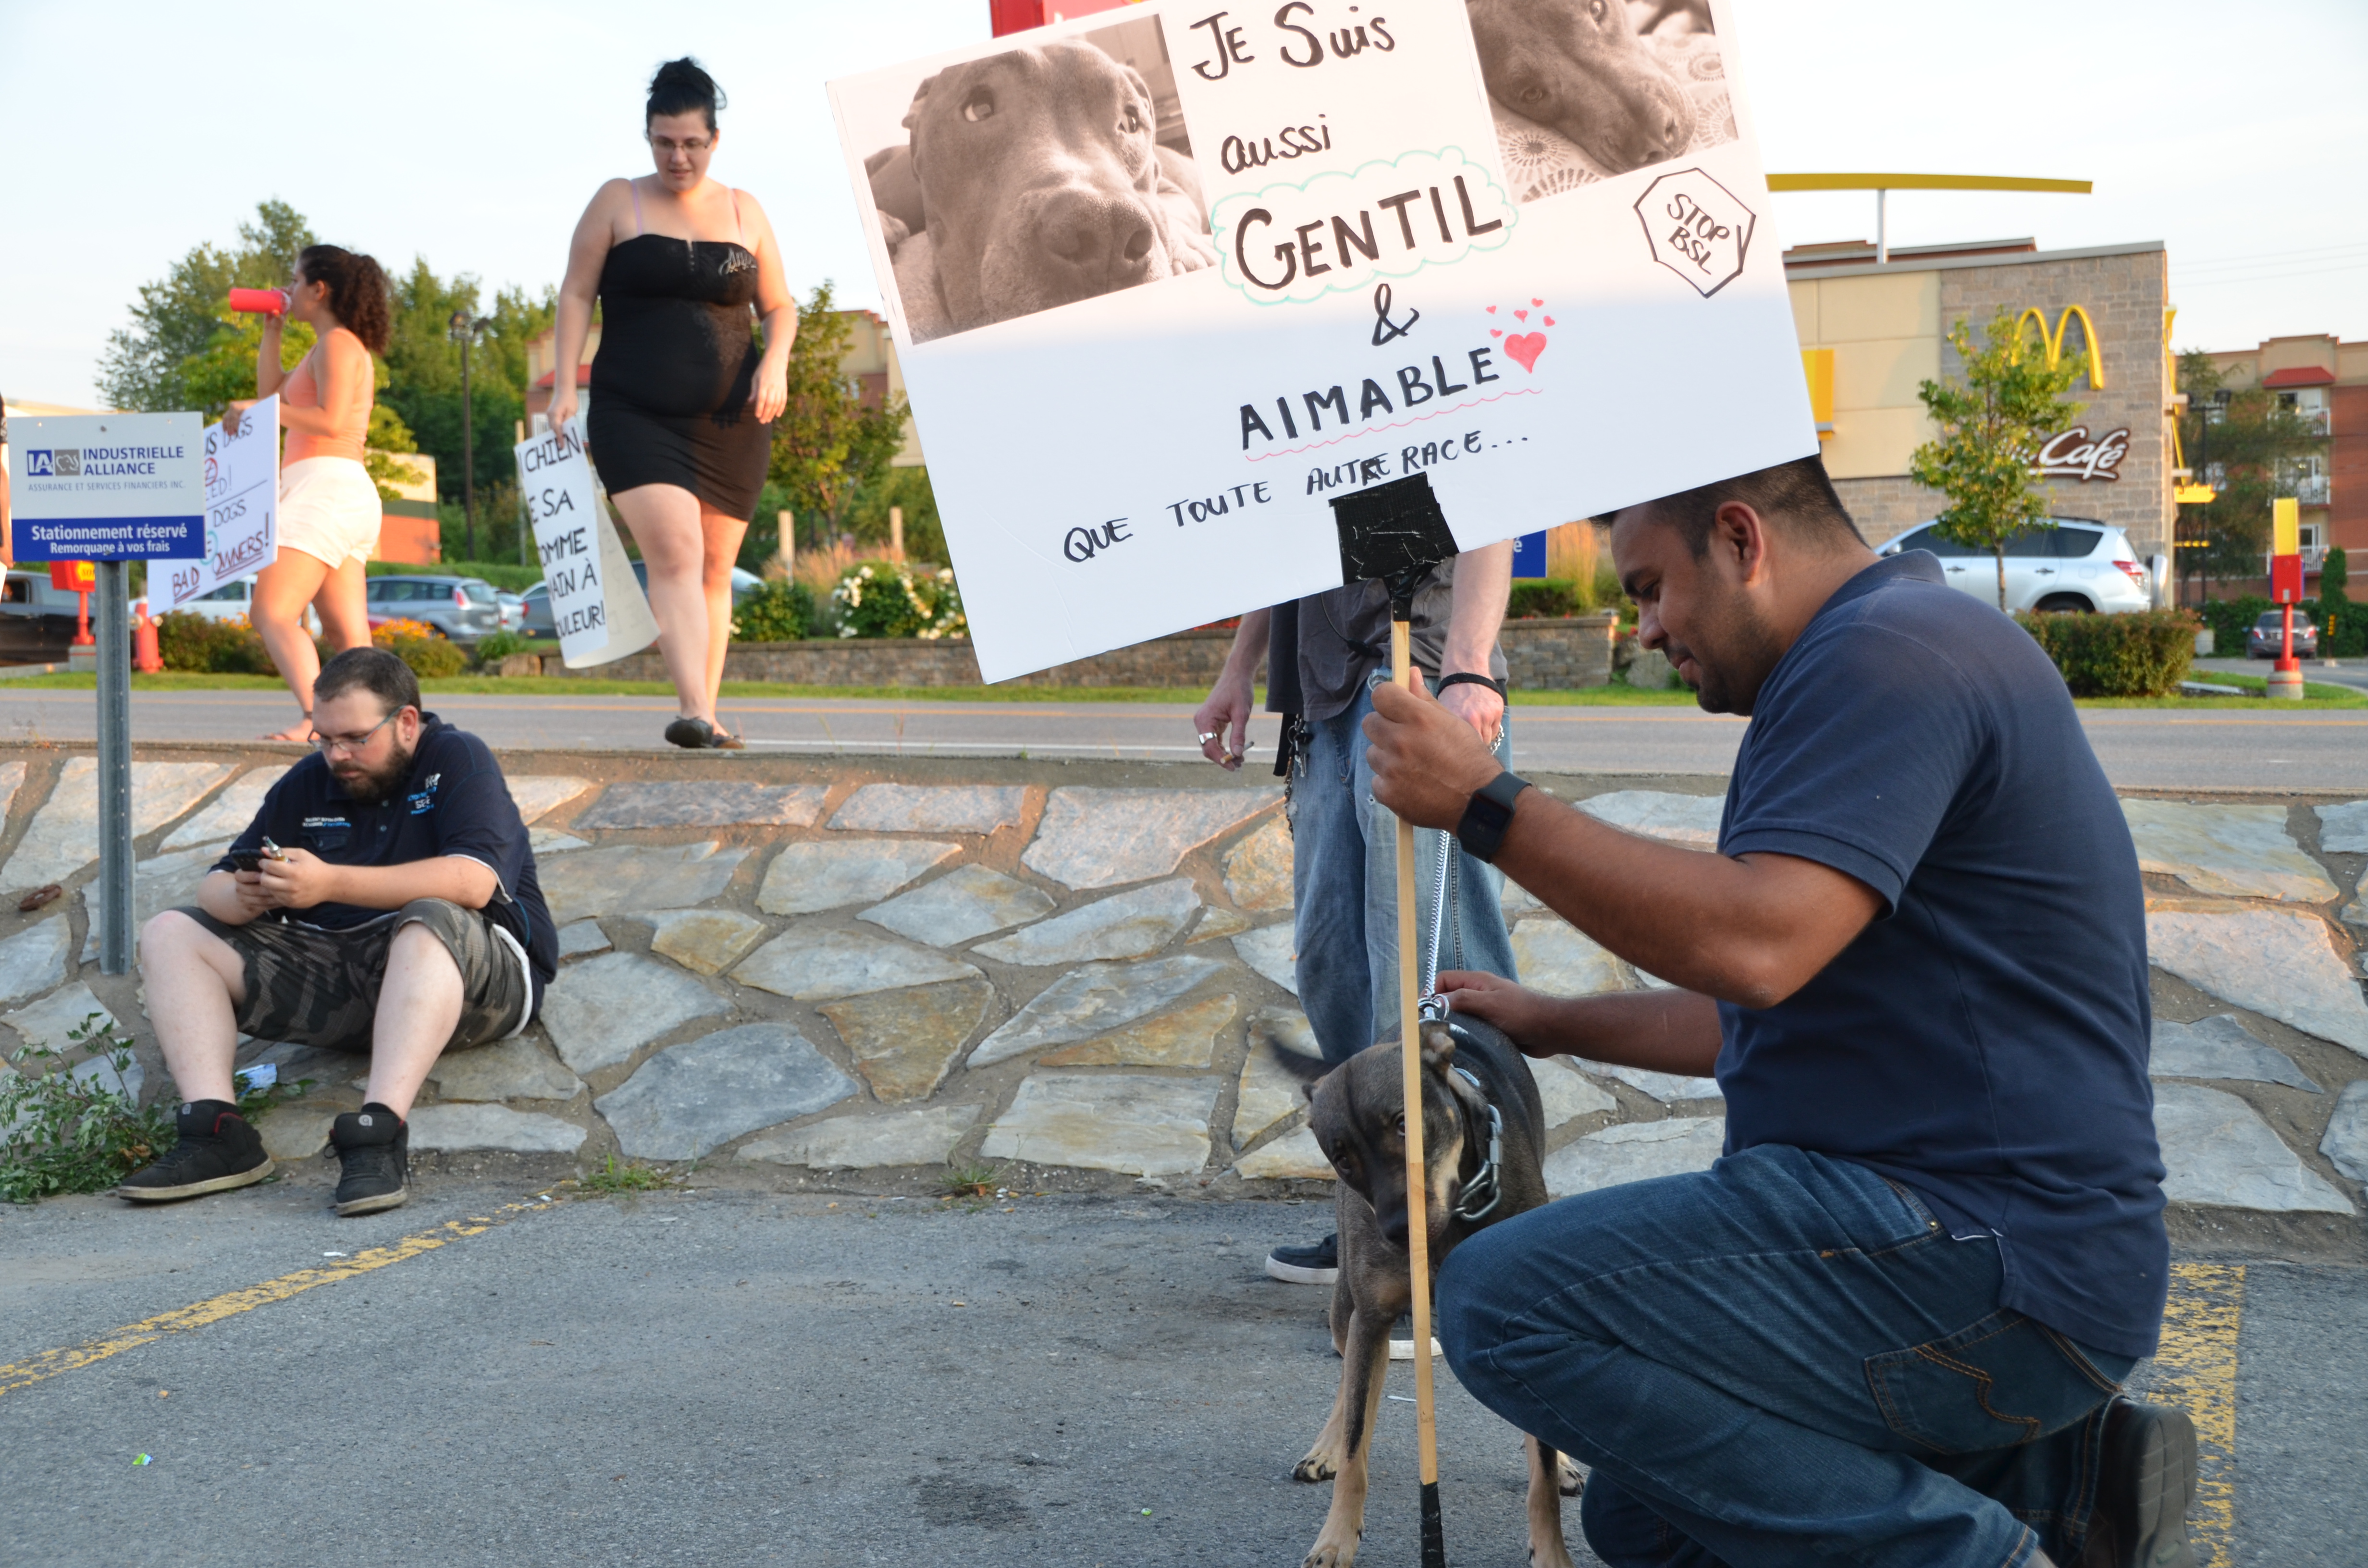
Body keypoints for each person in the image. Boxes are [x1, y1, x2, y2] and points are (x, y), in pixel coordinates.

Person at [1362, 456, 2191, 1568]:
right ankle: (2069, 1485)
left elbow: (1758, 943)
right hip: (1981, 1247)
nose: (1645, 628)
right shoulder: (1869, 654)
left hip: (1990, 1260)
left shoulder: (1890, 660)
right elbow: (1775, 1005)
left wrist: (1484, 803)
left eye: (1652, 585)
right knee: (1646, 1519)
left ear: (1743, 540)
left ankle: (1974, 1547)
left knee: (1503, 1303)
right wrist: (1557, 1019)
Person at [118, 648, 558, 1218]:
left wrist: (327, 884)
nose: (338, 755)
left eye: (354, 738)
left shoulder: (457, 757)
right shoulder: (310, 781)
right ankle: (216, 1132)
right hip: (345, 978)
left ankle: (377, 1132)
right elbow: (218, 884)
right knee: (170, 931)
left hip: (476, 979)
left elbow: (472, 883)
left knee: (429, 917)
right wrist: (243, 895)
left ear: (405, 722)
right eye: (324, 739)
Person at [1195, 542, 1521, 1287]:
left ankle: (1476, 1241)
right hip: (1321, 692)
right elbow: (1271, 526)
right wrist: (1238, 667)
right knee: (1335, 967)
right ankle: (1381, 1230)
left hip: (1423, 666)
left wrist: (1467, 664)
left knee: (1434, 968)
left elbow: (1492, 509)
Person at [550, 57, 795, 749]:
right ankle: (692, 710)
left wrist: (775, 360)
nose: (677, 156)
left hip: (732, 421)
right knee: (677, 553)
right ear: (649, 137)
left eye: (690, 143)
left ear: (714, 139)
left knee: (716, 570)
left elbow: (779, 305)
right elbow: (575, 293)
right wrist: (567, 383)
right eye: (664, 142)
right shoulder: (617, 201)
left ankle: (708, 716)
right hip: (635, 412)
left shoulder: (746, 209)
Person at [224, 246, 390, 743]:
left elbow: (330, 420)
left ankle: (319, 719)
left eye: (295, 282)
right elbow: (273, 392)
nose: (289, 291)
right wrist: (272, 331)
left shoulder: (339, 343)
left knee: (272, 610)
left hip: (325, 486)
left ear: (320, 290)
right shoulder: (325, 347)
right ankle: (375, 726)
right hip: (335, 490)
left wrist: (260, 410)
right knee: (346, 633)